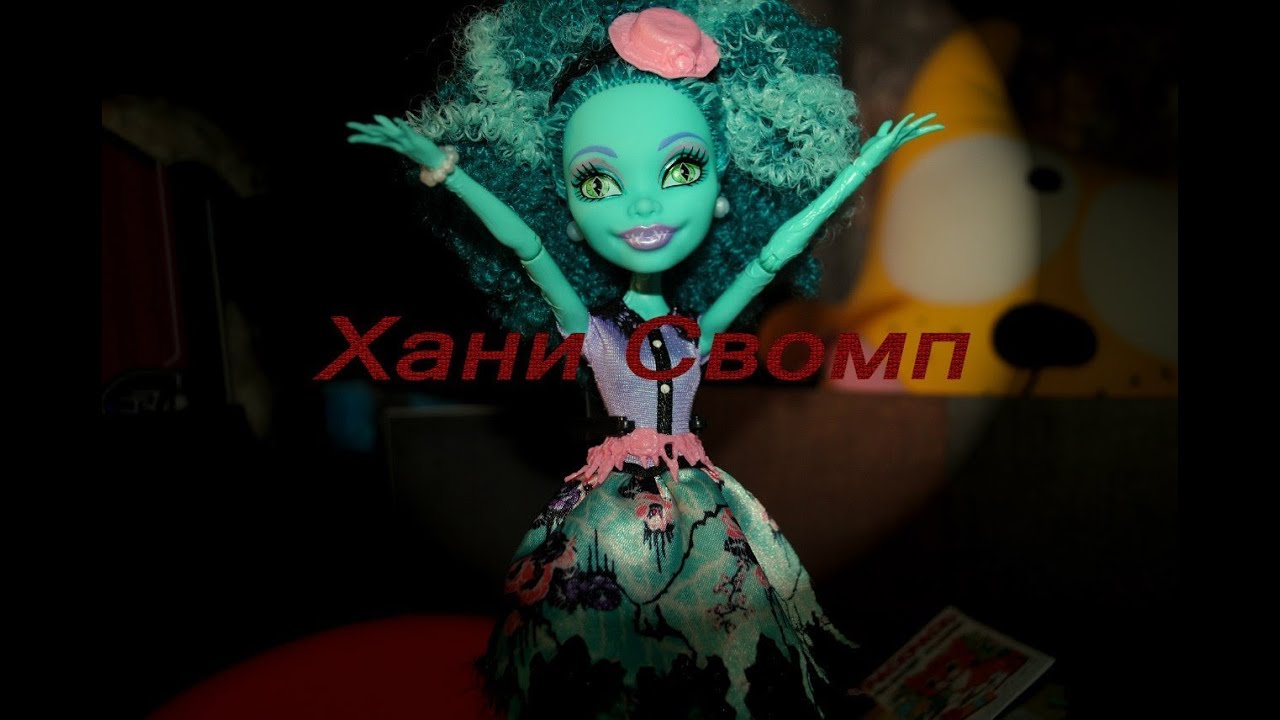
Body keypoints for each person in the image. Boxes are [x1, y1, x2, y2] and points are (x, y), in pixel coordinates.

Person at [347, 2, 940, 716]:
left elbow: (773, 254)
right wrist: (448, 171)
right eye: (598, 183)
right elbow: (524, 247)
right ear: (564, 207)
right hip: (613, 516)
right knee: (608, 649)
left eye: (681, 168)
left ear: (723, 191)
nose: (641, 207)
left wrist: (861, 165)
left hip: (702, 503)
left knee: (723, 643)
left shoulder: (698, 332)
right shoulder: (592, 330)